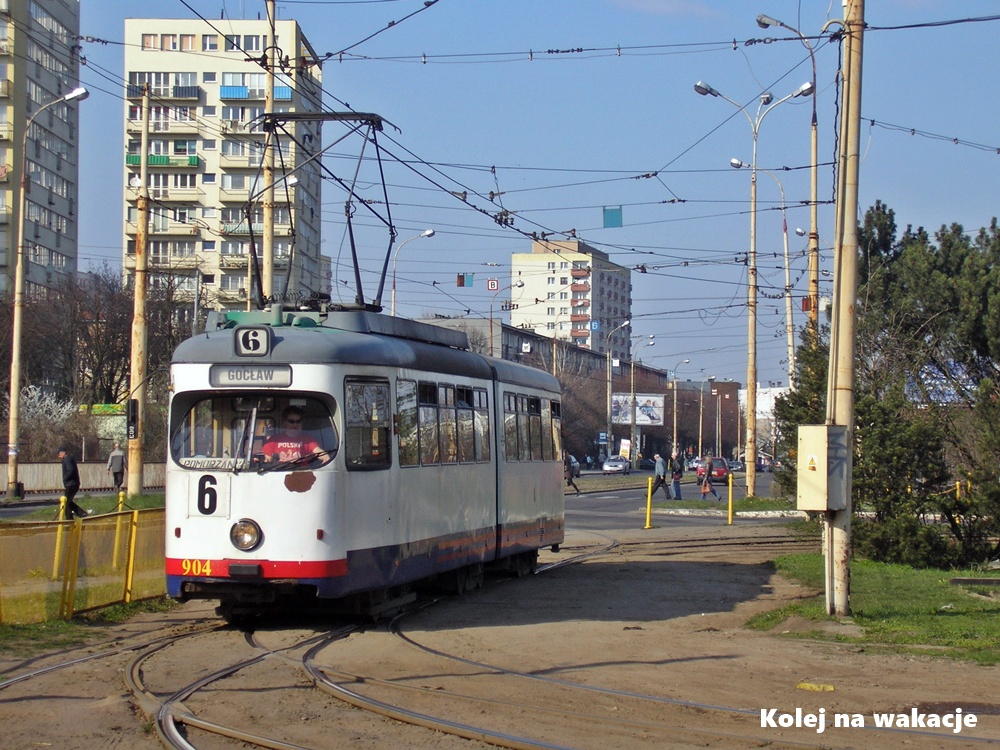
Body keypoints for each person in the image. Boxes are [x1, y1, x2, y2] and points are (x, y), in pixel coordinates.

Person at [57, 446, 87, 519]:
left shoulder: (67, 459)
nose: (58, 456)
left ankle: (70, 519)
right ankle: (81, 513)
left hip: (71, 484)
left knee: (66, 502)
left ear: (63, 453)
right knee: (67, 502)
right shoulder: (68, 459)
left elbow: (70, 470)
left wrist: (65, 478)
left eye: (59, 454)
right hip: (72, 483)